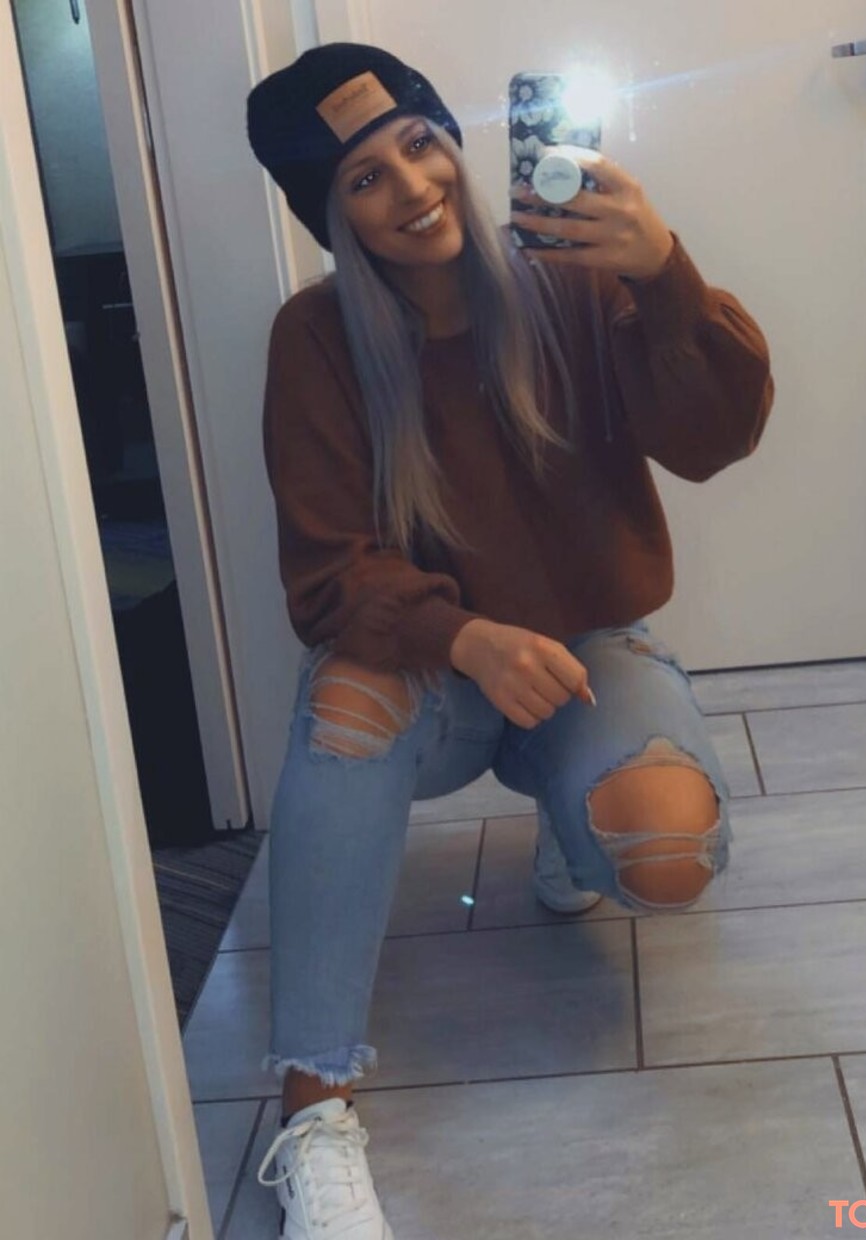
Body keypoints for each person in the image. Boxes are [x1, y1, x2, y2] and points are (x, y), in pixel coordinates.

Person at [246, 41, 773, 1240]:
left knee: (667, 852)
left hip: (581, 657)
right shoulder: (315, 339)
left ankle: (569, 824)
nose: (412, 187)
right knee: (345, 705)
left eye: (419, 144)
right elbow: (328, 573)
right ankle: (312, 1111)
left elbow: (716, 440)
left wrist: (664, 271)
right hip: (429, 679)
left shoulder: (574, 281)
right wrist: (465, 636)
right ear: (331, 215)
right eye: (364, 180)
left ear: (456, 138)